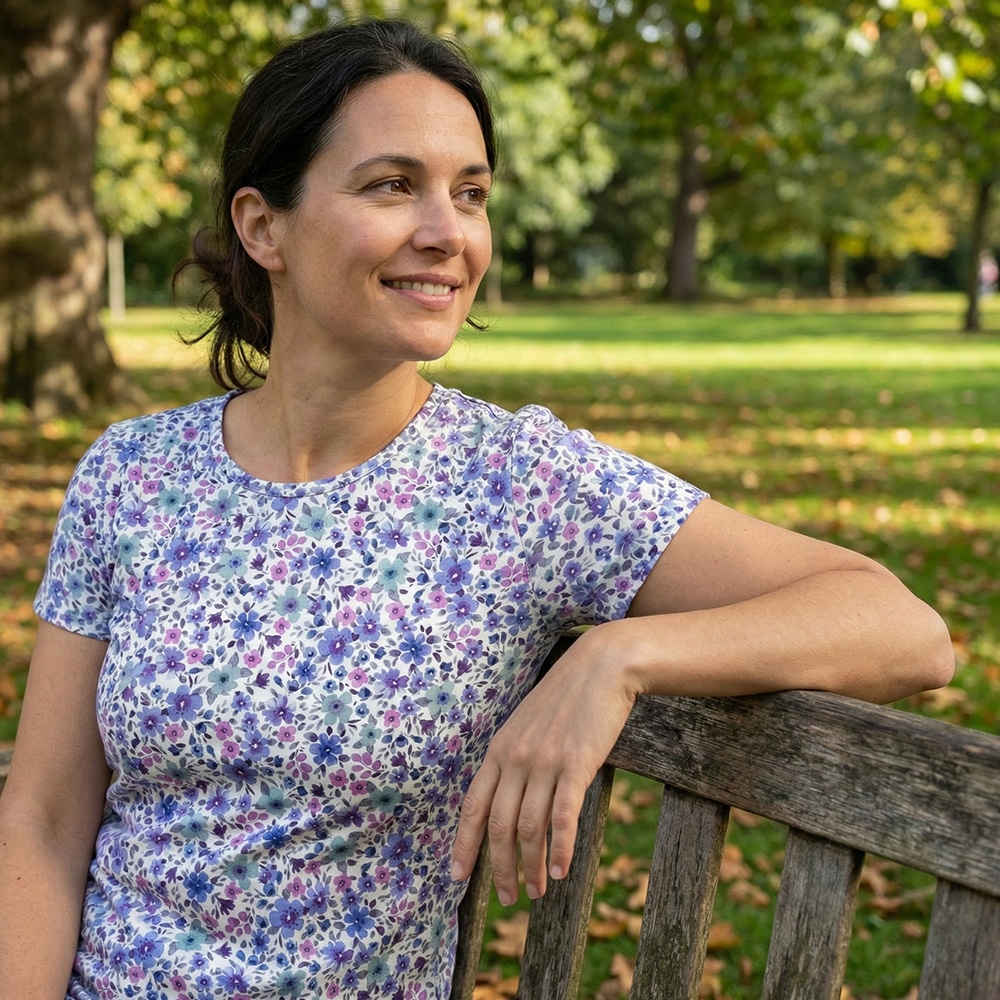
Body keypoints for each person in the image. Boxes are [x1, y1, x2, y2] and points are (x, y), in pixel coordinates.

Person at [0, 18, 953, 1000]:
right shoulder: (132, 475)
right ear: (262, 226)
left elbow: (902, 628)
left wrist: (619, 656)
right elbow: (43, 819)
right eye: (391, 185)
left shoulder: (520, 484)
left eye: (470, 193)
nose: (447, 232)